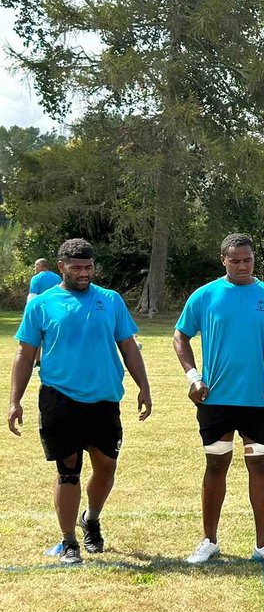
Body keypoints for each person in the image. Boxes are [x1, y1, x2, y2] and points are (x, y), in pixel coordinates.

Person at [8, 238, 152, 564]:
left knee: (106, 465)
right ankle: (69, 541)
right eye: (77, 268)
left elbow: (128, 346)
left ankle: (91, 518)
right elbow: (25, 353)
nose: (84, 273)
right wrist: (14, 400)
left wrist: (144, 386)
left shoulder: (110, 300)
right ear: (62, 267)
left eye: (88, 267)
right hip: (59, 398)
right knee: (68, 470)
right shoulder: (42, 304)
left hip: (104, 399)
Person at [174, 234, 264, 565]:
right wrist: (194, 377)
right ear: (223, 260)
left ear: (254, 260)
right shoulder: (205, 296)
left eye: (248, 260)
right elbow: (180, 336)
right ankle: (209, 540)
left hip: (259, 400)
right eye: (235, 260)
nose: (242, 266)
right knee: (216, 464)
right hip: (215, 400)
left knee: (260, 465)